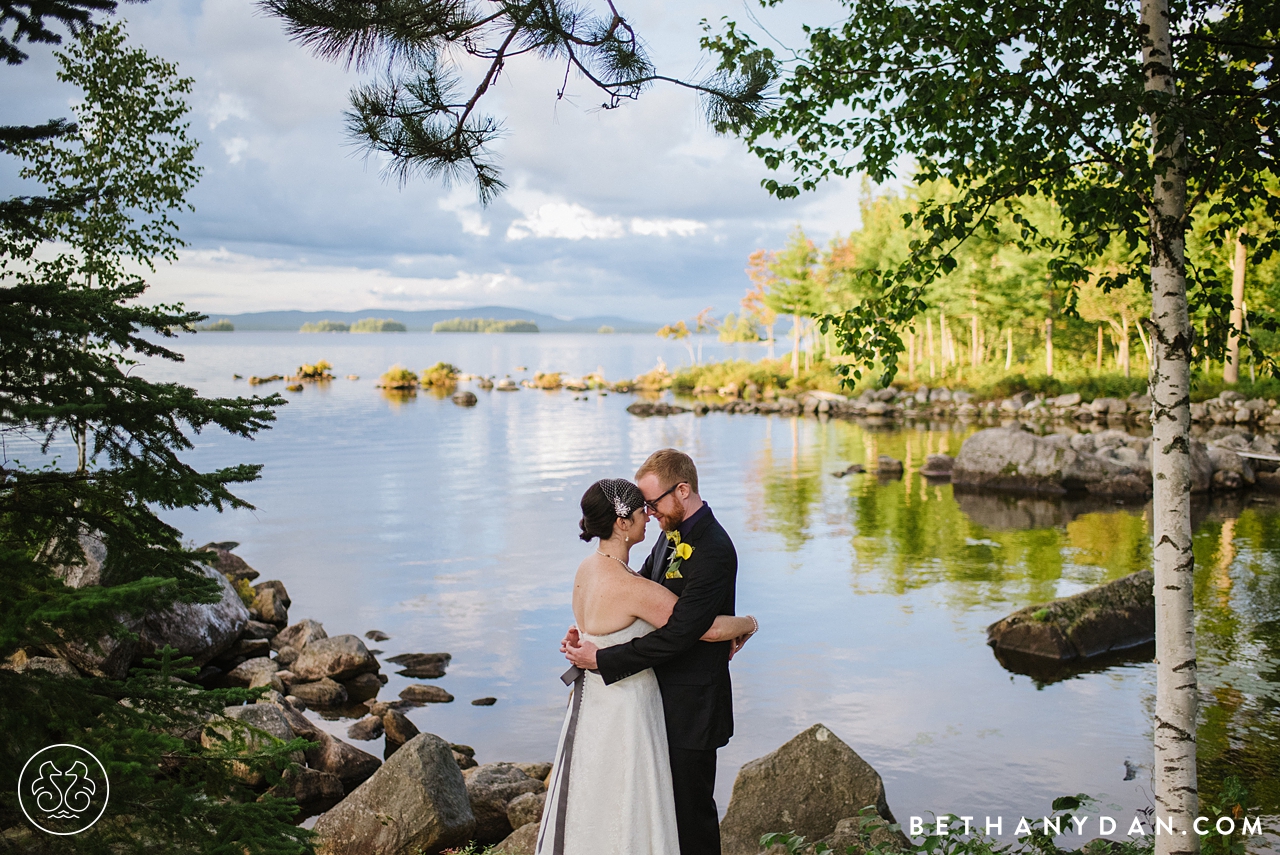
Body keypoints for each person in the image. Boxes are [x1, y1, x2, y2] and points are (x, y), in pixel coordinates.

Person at [537, 477, 756, 855]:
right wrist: (748, 623)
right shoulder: (632, 588)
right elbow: (704, 628)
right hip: (628, 705)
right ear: (622, 523)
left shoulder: (587, 570)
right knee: (632, 796)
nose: (650, 516)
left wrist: (583, 642)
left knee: (595, 794)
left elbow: (594, 625)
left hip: (591, 705)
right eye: (642, 512)